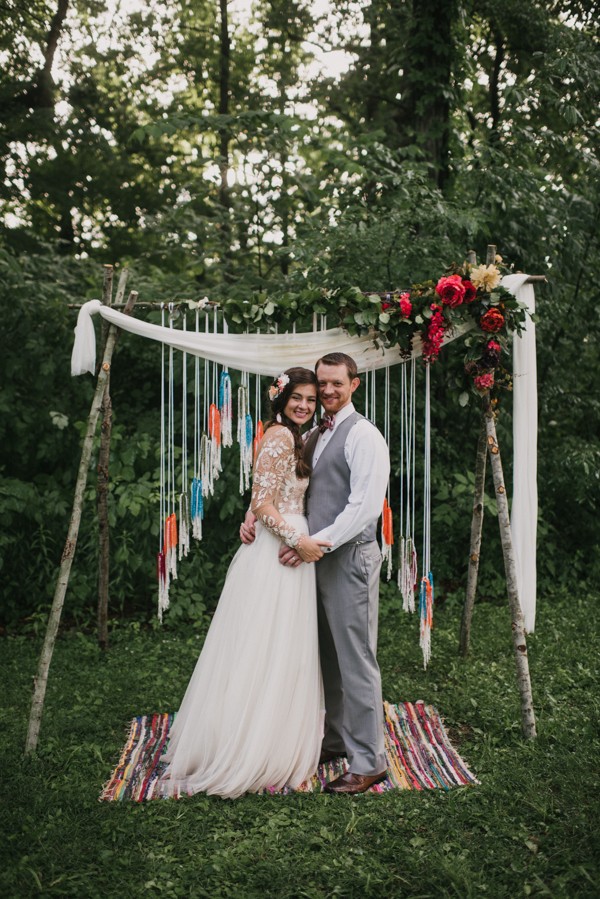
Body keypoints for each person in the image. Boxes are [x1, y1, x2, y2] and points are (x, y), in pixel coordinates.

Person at [159, 367, 330, 799]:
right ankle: (248, 745)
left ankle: (271, 736)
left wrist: (270, 523)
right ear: (280, 397)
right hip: (280, 553)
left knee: (279, 648)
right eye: (297, 398)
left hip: (286, 545)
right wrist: (300, 541)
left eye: (310, 399)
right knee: (264, 646)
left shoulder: (294, 435)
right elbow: (263, 502)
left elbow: (263, 500)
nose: (304, 405)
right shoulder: (278, 436)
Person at [241, 352, 390, 794]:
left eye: (334, 384)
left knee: (357, 660)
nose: (326, 391)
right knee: (328, 657)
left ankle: (369, 761)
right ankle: (338, 739)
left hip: (347, 557)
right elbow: (288, 492)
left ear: (354, 385)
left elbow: (362, 508)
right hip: (316, 560)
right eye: (320, 384)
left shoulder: (364, 436)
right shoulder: (312, 435)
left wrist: (313, 546)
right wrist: (254, 515)